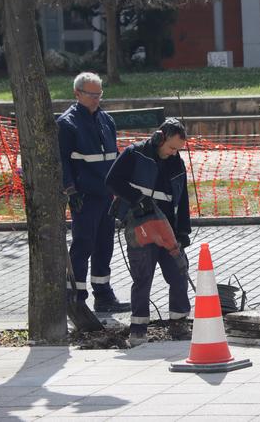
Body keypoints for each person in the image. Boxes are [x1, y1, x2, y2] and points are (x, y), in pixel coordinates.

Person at [106, 118, 192, 346]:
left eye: (178, 149)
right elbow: (112, 180)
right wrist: (137, 200)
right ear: (159, 138)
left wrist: (183, 233)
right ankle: (138, 329)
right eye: (171, 147)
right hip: (140, 228)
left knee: (179, 273)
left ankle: (179, 323)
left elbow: (182, 200)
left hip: (168, 230)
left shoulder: (176, 163)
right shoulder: (135, 154)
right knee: (143, 278)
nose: (174, 153)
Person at [57, 72, 130, 313]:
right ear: (77, 94)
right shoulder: (67, 124)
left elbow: (115, 159)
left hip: (107, 195)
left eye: (99, 94)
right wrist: (71, 191)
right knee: (83, 245)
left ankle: (104, 295)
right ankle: (76, 298)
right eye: (91, 95)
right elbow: (62, 161)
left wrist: (119, 191)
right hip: (85, 197)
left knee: (104, 245)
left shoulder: (106, 120)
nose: (96, 99)